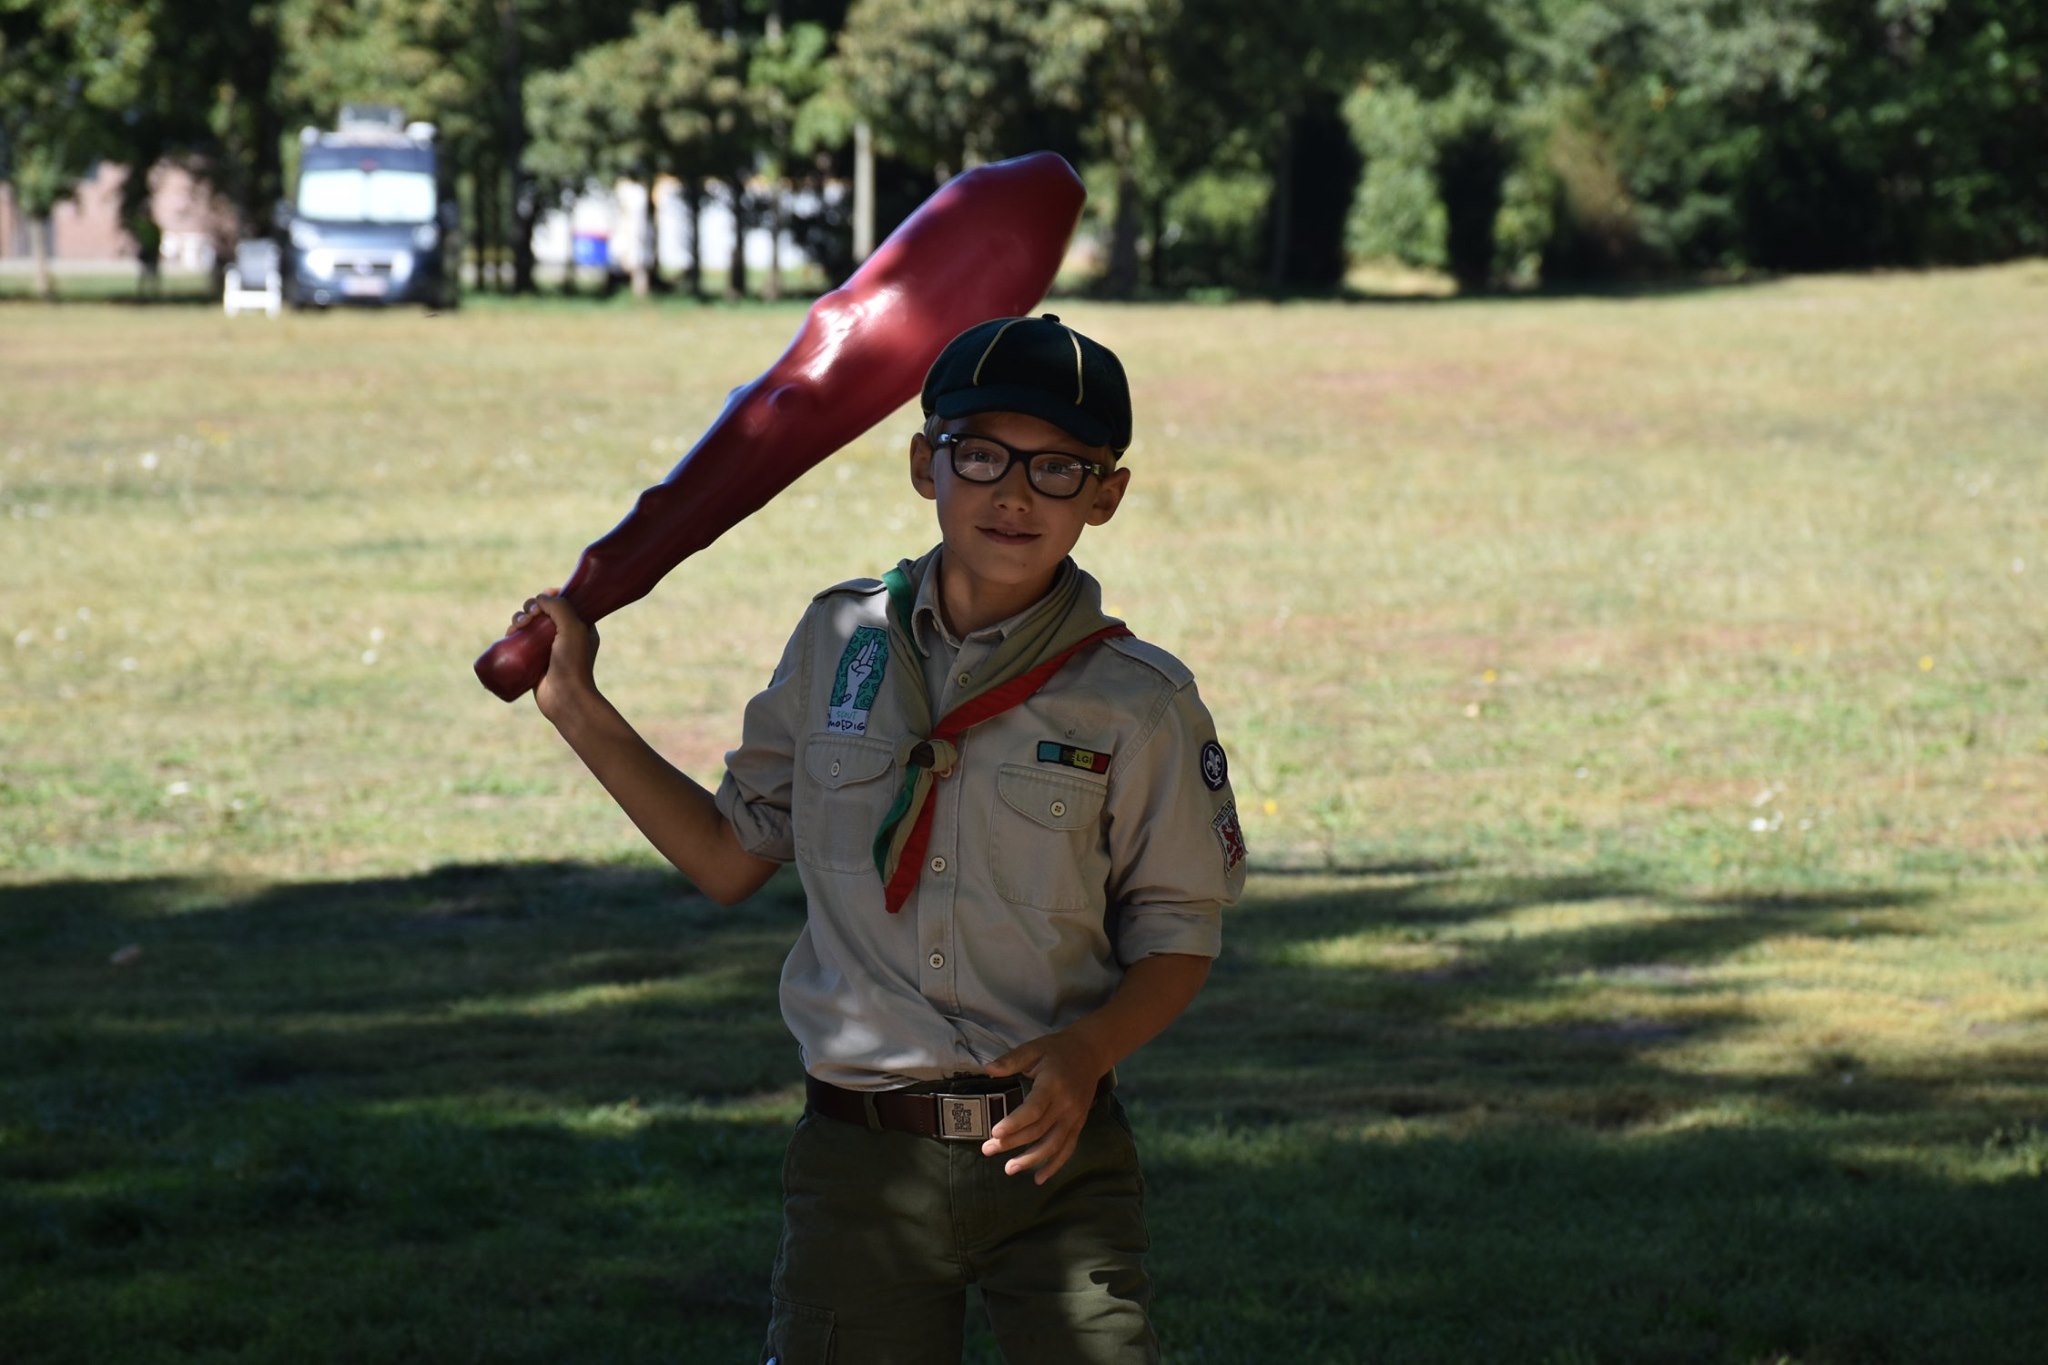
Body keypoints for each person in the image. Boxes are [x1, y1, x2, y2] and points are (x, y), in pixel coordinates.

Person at [510, 313, 1248, 1364]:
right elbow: (728, 855)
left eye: (1057, 468)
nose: (1013, 492)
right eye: (980, 452)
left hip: (1055, 1153)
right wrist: (576, 704)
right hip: (860, 1160)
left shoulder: (1134, 701)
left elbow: (1179, 931)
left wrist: (1089, 1053)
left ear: (1106, 496)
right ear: (922, 463)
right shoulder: (838, 639)